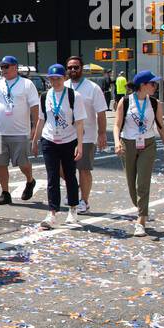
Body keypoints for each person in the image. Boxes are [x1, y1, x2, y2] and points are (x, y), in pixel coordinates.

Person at [114, 71, 164, 236]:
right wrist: (117, 142)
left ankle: (141, 219)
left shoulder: (155, 103)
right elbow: (117, 125)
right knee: (132, 185)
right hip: (129, 143)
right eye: (152, 83)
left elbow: (161, 126)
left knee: (143, 182)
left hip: (148, 144)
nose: (155, 86)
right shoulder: (125, 101)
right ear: (143, 85)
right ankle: (140, 206)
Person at [31, 64, 88, 229]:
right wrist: (35, 141)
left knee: (70, 174)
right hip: (49, 140)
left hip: (69, 140)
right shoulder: (45, 96)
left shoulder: (73, 95)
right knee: (52, 176)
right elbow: (42, 119)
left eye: (58, 78)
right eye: (52, 79)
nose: (55, 82)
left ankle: (73, 209)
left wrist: (80, 144)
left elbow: (79, 122)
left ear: (64, 78)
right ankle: (52, 212)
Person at [0, 55, 39, 205]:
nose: (3, 70)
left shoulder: (26, 84)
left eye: (6, 66)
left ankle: (30, 180)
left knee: (23, 164)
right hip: (0, 131)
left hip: (20, 132)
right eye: (2, 67)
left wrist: (35, 127)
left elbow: (35, 107)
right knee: (0, 163)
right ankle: (5, 192)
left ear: (15, 67)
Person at [65, 55, 109, 213]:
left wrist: (102, 133)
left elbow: (101, 113)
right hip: (65, 136)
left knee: (83, 169)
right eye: (70, 67)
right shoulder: (62, 86)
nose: (73, 70)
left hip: (86, 136)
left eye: (76, 67)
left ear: (81, 69)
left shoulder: (92, 88)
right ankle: (75, 187)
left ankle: (84, 201)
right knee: (60, 167)